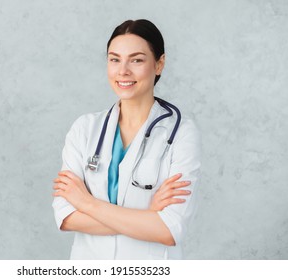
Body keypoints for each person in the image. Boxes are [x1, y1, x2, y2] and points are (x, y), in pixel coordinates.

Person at [52, 19, 201, 259]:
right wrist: (147, 213)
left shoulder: (181, 132)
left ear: (159, 64)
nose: (123, 71)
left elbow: (169, 229)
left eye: (137, 60)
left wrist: (86, 204)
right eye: (114, 59)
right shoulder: (84, 129)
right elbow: (66, 217)